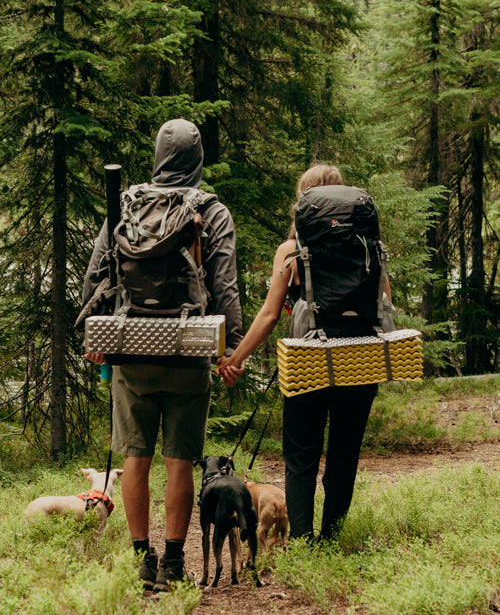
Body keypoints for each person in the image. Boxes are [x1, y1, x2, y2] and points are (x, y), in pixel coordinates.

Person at [81, 119, 243, 591]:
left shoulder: (125, 204)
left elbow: (97, 276)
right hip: (188, 350)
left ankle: (141, 559)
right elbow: (225, 285)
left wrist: (96, 338)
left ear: (157, 157)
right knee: (179, 461)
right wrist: (230, 350)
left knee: (135, 456)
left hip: (131, 351)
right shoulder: (211, 211)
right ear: (198, 161)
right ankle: (173, 562)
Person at [217, 164, 386, 543]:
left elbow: (269, 314)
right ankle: (331, 537)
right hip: (360, 358)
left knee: (301, 458)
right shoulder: (369, 246)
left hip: (308, 362)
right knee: (344, 456)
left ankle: (303, 540)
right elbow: (384, 301)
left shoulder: (292, 251)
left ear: (304, 203)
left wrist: (236, 358)